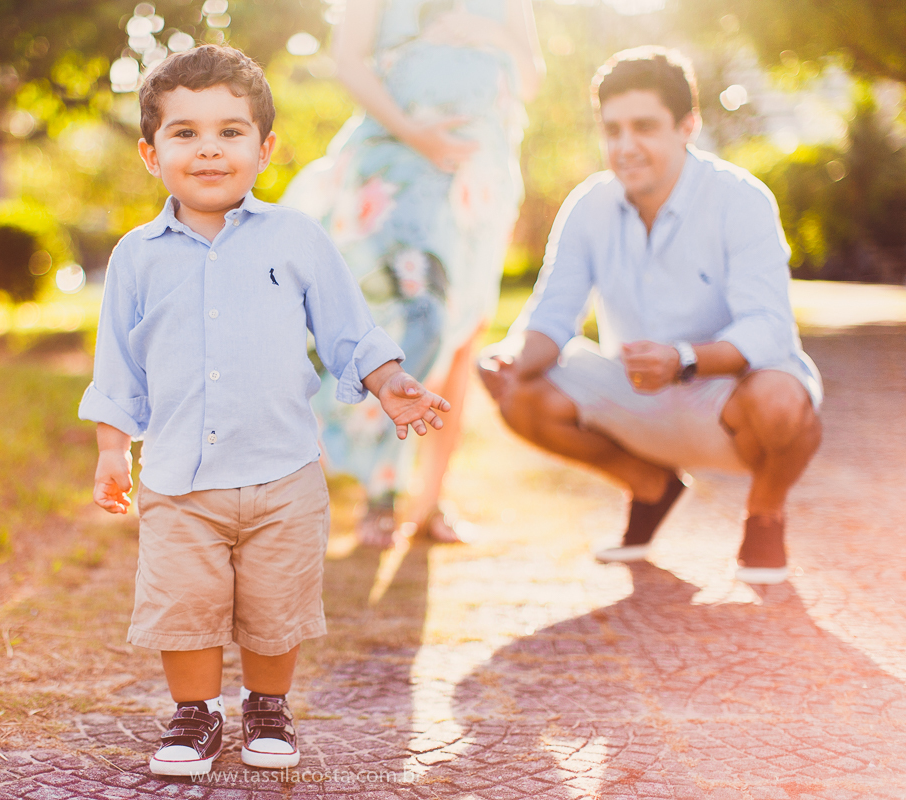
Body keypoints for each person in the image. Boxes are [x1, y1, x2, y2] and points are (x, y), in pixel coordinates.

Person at [79, 45, 449, 777]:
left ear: (265, 147)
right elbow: (117, 364)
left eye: (230, 131)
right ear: (152, 155)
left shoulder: (298, 238)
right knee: (184, 604)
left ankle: (267, 704)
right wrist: (111, 448)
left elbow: (349, 328)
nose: (209, 148)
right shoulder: (137, 256)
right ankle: (194, 714)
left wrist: (388, 379)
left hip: (282, 470)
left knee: (277, 606)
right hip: (181, 478)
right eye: (185, 133)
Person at [478, 46, 823, 586]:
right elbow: (552, 315)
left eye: (643, 127)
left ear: (688, 125)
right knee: (514, 388)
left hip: (725, 396)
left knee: (783, 399)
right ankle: (649, 485)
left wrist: (684, 359)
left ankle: (764, 513)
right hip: (635, 392)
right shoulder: (588, 204)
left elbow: (769, 327)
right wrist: (509, 358)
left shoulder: (741, 198)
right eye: (612, 129)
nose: (624, 146)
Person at [281, 0, 544, 547]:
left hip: (480, 174)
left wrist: (483, 33)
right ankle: (381, 493)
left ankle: (430, 502)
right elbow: (349, 60)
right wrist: (414, 133)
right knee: (406, 325)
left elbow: (533, 77)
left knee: (461, 331)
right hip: (399, 162)